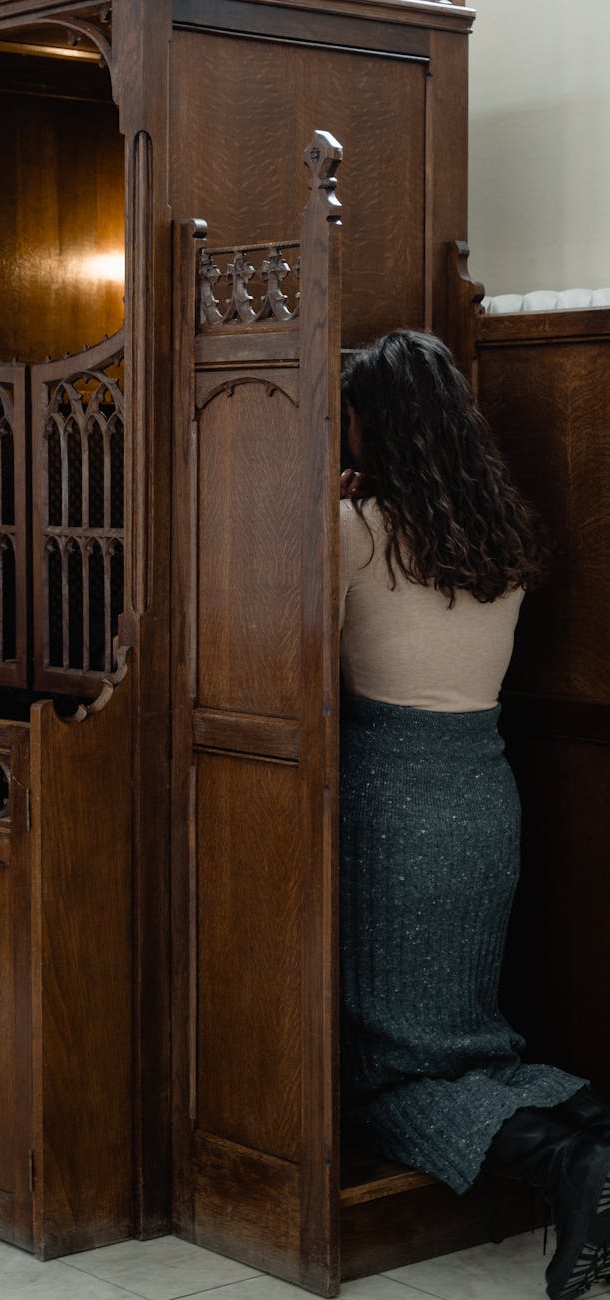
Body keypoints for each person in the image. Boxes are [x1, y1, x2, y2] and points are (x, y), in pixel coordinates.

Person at [337, 329, 610, 1300]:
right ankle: (595, 1137)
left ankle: (572, 1165)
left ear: (374, 424)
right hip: (485, 797)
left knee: (391, 1072)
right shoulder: (500, 532)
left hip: (389, 806)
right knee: (467, 1036)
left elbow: (276, 652)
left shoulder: (355, 529)